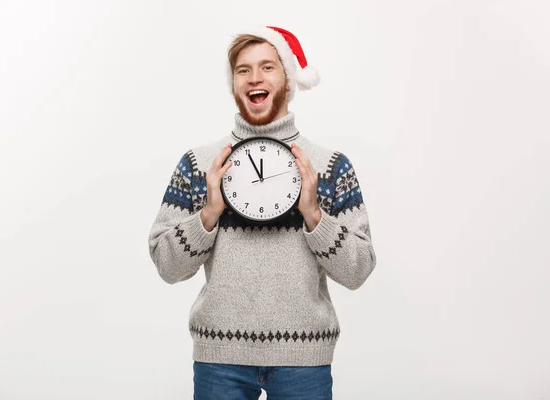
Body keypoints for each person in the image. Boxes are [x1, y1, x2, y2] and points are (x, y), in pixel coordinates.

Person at [147, 25, 377, 400]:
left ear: (288, 79)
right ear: (234, 82)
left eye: (268, 67)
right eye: (243, 69)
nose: (255, 78)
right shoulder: (199, 163)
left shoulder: (330, 165)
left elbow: (359, 270)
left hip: (304, 359)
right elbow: (167, 267)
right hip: (219, 359)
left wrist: (314, 216)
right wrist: (209, 212)